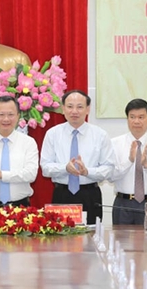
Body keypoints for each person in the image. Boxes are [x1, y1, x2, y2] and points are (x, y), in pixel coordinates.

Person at [41, 90, 115, 225]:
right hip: (61, 193)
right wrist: (65, 168)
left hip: (90, 194)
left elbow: (109, 168)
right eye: (70, 106)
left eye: (80, 107)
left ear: (88, 109)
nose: (74, 111)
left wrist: (87, 172)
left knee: (91, 239)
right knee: (60, 240)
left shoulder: (100, 135)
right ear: (63, 109)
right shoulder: (52, 134)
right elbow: (45, 168)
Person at [109, 98, 147, 225]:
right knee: (121, 243)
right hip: (123, 203)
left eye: (141, 117)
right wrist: (129, 160)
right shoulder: (114, 144)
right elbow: (110, 176)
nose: (136, 121)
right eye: (132, 117)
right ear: (127, 119)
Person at [0, 96, 39, 207]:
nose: (6, 119)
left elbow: (30, 174)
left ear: (18, 116)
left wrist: (1, 174)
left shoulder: (29, 142)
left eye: (11, 115)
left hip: (21, 206)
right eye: (1, 115)